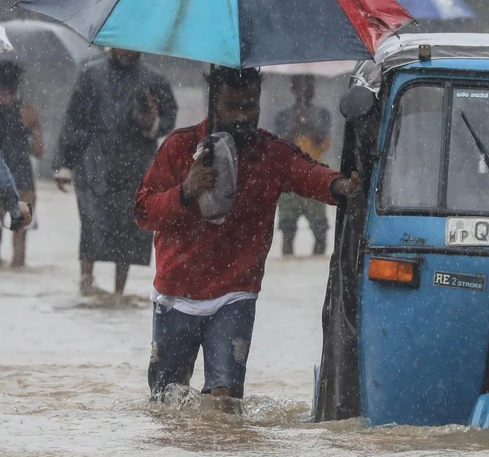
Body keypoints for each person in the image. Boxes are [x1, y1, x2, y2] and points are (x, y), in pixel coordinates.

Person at [135, 67, 359, 406]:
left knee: (225, 403)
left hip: (235, 294)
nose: (243, 116)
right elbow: (143, 211)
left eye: (250, 106)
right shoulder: (179, 147)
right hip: (175, 293)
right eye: (233, 106)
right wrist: (185, 192)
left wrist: (341, 186)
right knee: (166, 402)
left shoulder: (270, 152)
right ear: (213, 103)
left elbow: (309, 173)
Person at [53, 48, 176, 296]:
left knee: (129, 225)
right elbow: (73, 119)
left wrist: (150, 123)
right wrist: (63, 163)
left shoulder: (153, 79)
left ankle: (119, 292)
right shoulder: (91, 74)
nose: (126, 50)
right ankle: (86, 282)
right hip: (94, 161)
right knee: (91, 221)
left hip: (136, 161)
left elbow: (168, 117)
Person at [273, 75, 334, 256]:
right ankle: (289, 275)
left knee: (321, 232)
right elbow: (278, 146)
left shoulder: (322, 114)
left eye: (309, 86)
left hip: (315, 178)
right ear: (293, 89)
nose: (304, 91)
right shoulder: (283, 116)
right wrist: (293, 126)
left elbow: (324, 142)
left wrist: (309, 123)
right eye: (300, 86)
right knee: (287, 232)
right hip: (289, 180)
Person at [0, 62, 42, 268]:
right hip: (23, 178)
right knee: (20, 234)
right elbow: (39, 151)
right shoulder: (28, 112)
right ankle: (17, 268)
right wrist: (33, 126)